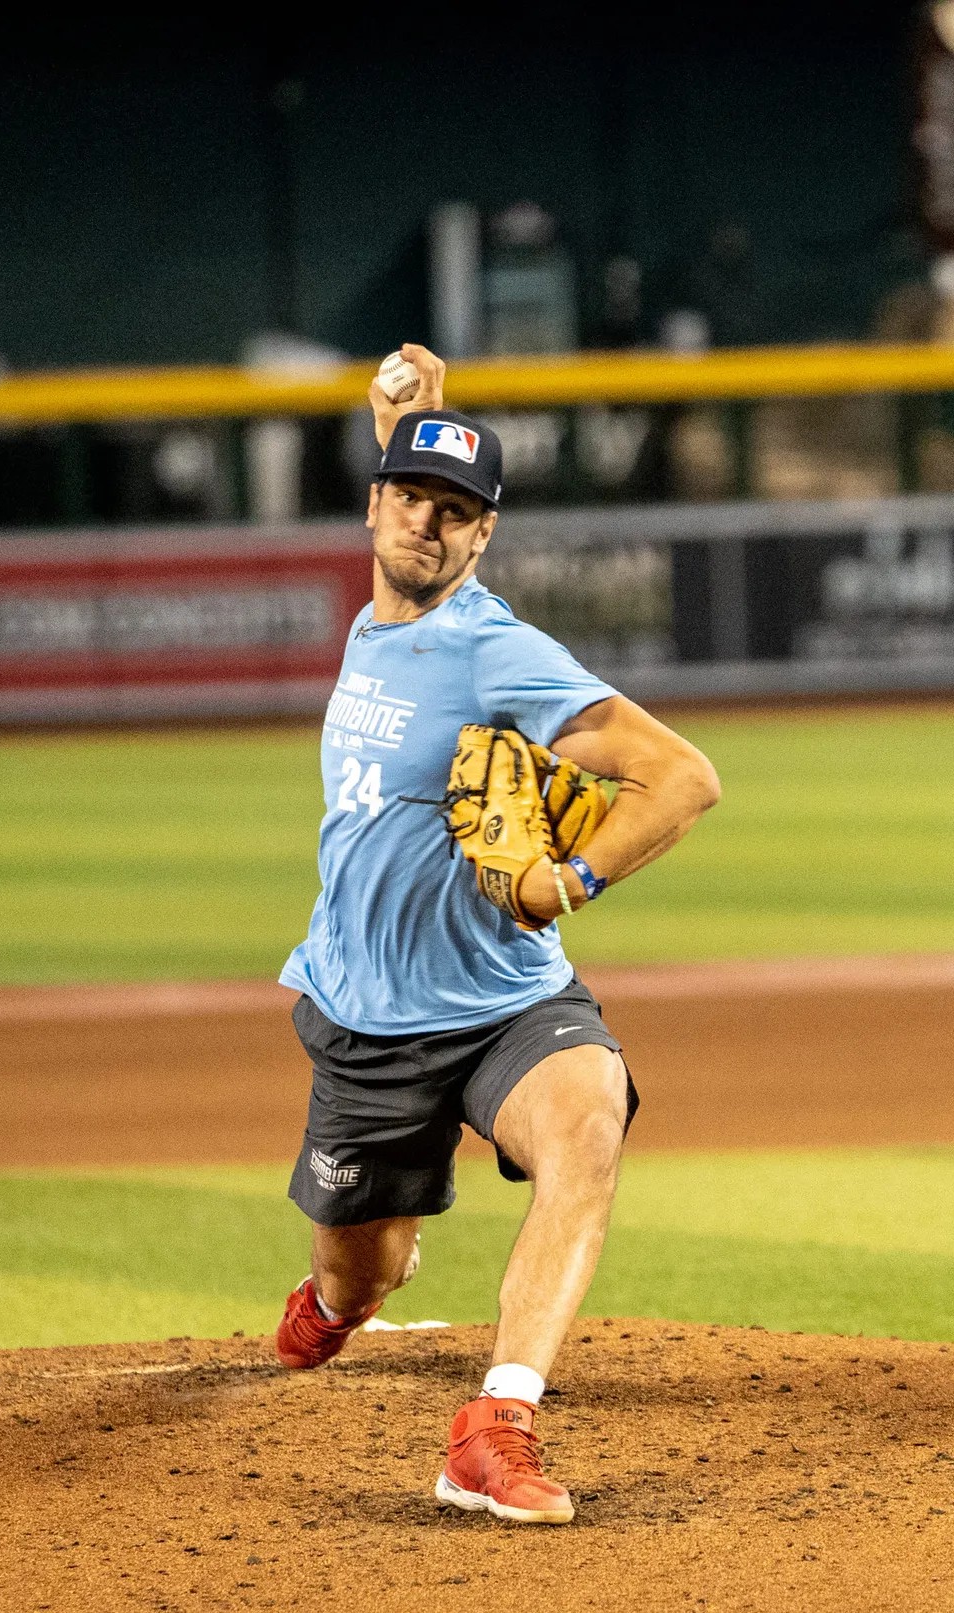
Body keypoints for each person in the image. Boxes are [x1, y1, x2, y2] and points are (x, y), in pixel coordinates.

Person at [271, 343, 721, 1526]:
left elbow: (680, 778)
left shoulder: (491, 647)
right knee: (351, 1275)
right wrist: (402, 416)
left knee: (590, 1124)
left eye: (458, 512)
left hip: (507, 998)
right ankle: (355, 1287)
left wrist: (564, 879)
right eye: (413, 496)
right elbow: (400, 486)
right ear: (374, 503)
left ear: (483, 540)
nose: (429, 521)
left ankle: (494, 1424)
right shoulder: (378, 618)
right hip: (364, 1021)